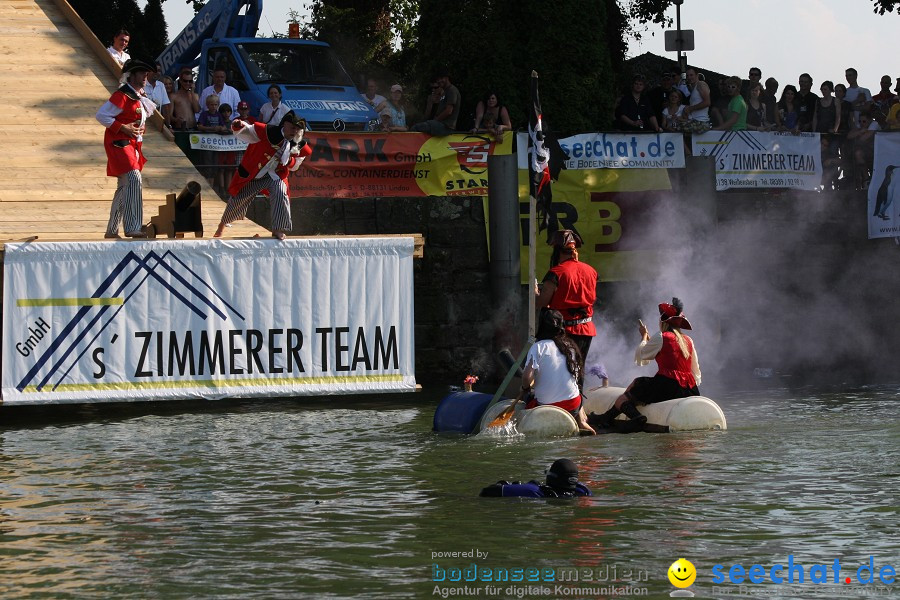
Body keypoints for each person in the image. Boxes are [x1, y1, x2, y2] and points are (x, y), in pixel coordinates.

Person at [588, 298, 701, 429]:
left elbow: (642, 355)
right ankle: (606, 418)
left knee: (632, 389)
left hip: (667, 386)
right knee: (637, 385)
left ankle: (636, 417)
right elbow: (695, 370)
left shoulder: (662, 336)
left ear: (663, 322)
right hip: (690, 389)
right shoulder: (689, 340)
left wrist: (643, 337)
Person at [213, 111, 312, 240]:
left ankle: (277, 229)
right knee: (238, 199)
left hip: (275, 176)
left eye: (298, 130)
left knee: (281, 193)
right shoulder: (267, 131)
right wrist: (240, 125)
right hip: (255, 173)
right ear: (285, 125)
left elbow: (295, 166)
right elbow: (249, 130)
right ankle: (222, 224)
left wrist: (288, 160)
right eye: (293, 128)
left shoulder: (300, 146)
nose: (295, 132)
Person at [95, 58, 157, 239]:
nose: (146, 76)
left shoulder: (137, 97)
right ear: (132, 75)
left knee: (125, 185)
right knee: (133, 178)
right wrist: (123, 128)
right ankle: (132, 226)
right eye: (142, 73)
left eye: (147, 73)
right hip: (119, 143)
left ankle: (112, 229)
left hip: (131, 145)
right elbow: (102, 115)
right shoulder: (123, 95)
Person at [535, 230, 598, 387]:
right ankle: (578, 407)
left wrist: (535, 293)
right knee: (578, 372)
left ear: (557, 252)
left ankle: (565, 407)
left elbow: (542, 302)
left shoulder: (556, 273)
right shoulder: (591, 271)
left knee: (560, 372)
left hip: (563, 332)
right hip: (586, 329)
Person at [519, 310, 596, 435]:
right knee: (577, 389)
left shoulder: (537, 347)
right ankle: (581, 421)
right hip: (573, 407)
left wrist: (524, 388)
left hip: (547, 407)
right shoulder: (570, 345)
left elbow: (527, 377)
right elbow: (575, 377)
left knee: (529, 398)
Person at [479, 459, 592, 498]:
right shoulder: (583, 491)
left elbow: (487, 492)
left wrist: (503, 484)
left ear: (552, 476)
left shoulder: (533, 491)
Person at [411, 70, 460, 135]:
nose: (439, 81)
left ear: (447, 78)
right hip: (441, 125)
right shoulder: (445, 92)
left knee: (415, 127)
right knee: (420, 125)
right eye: (438, 79)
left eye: (441, 78)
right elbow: (428, 115)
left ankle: (413, 145)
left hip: (446, 126)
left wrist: (435, 121)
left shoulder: (451, 90)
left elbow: (448, 111)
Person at [681, 67, 711, 132]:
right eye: (687, 76)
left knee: (677, 127)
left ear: (697, 75)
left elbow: (707, 102)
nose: (689, 77)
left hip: (701, 122)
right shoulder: (693, 88)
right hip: (694, 121)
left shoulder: (701, 84)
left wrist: (690, 108)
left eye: (691, 75)